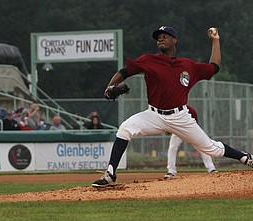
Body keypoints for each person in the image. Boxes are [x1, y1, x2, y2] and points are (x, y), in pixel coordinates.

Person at [92, 25, 253, 187]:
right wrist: (109, 87)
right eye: (158, 37)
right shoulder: (149, 60)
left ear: (174, 40)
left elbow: (214, 67)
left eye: (165, 35)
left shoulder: (188, 66)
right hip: (154, 115)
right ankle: (111, 174)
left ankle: (245, 157)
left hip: (180, 116)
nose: (160, 38)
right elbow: (125, 72)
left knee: (212, 150)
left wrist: (215, 40)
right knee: (125, 129)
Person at [166, 105, 217, 178]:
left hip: (190, 131)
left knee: (202, 146)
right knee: (172, 148)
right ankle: (171, 171)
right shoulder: (172, 111)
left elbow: (195, 125)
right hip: (177, 131)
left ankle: (211, 169)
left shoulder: (191, 110)